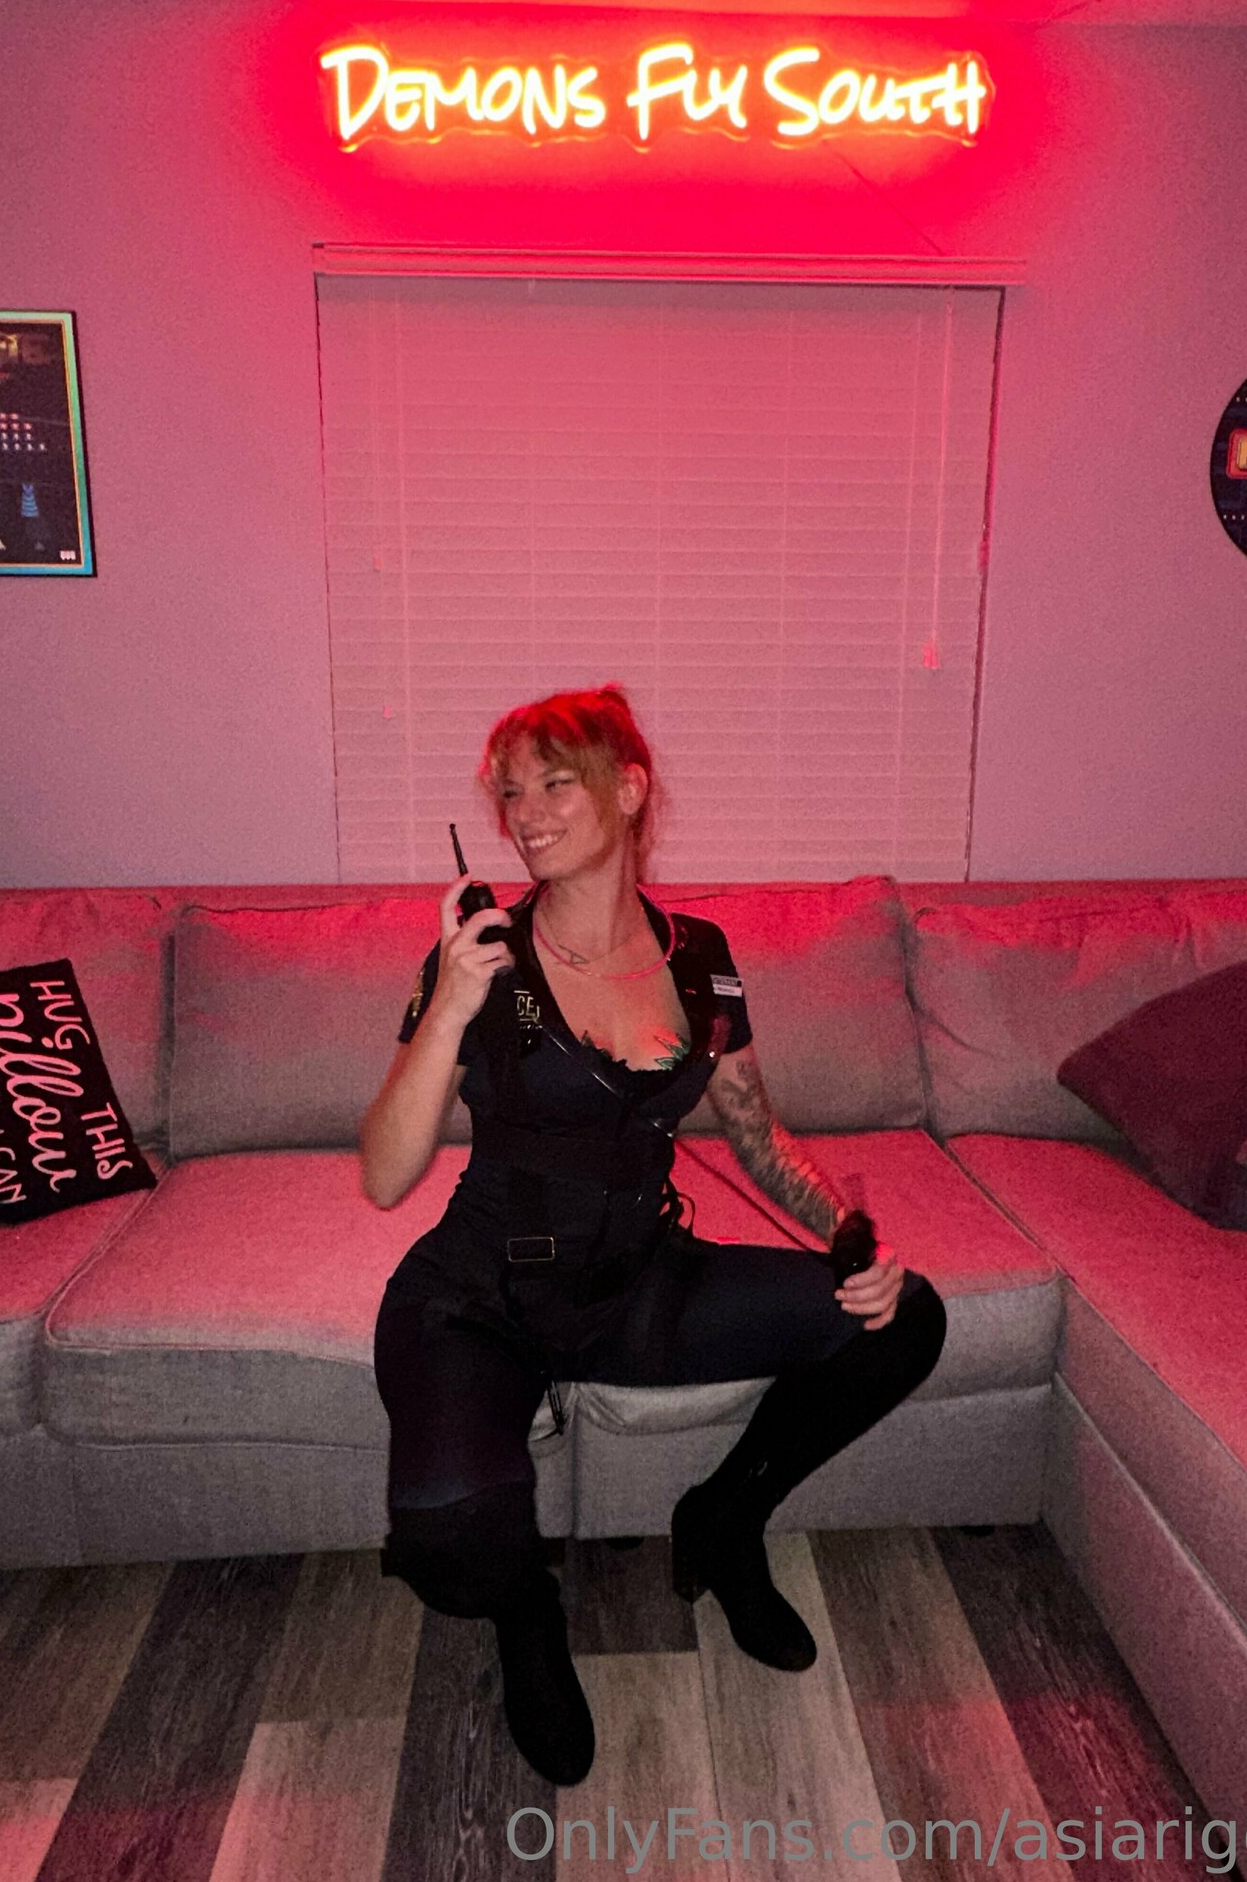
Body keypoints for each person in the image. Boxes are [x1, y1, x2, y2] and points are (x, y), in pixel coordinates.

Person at [362, 683, 947, 1787]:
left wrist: (849, 1235)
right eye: (509, 793)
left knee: (905, 1319)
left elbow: (755, 1133)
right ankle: (528, 1613)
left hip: (639, 1285)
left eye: (555, 783)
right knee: (447, 1548)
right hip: (479, 1299)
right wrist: (449, 1005)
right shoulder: (480, 956)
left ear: (628, 790)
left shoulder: (700, 958)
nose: (525, 814)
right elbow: (385, 1174)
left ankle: (724, 1521)